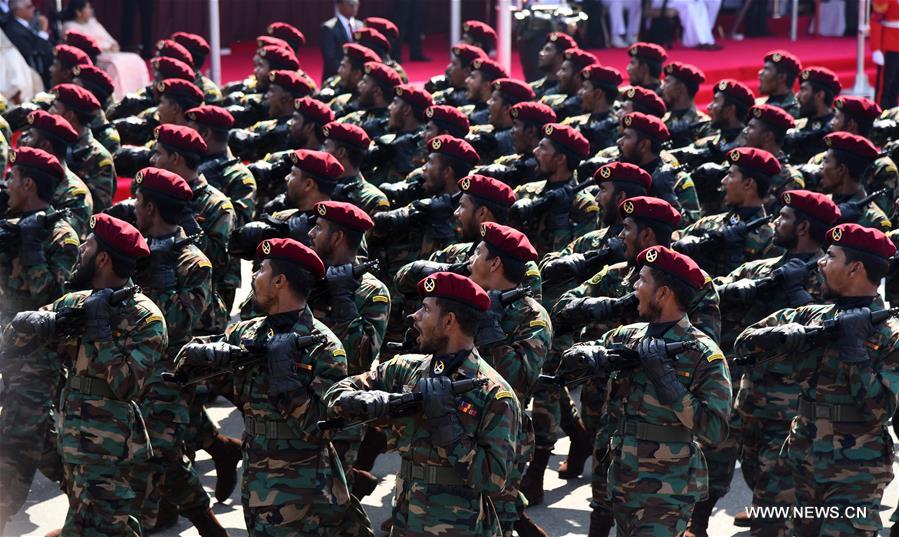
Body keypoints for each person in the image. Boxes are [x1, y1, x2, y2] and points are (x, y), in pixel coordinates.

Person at [172, 238, 373, 536]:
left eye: (260, 270)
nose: (253, 277)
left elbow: (322, 428)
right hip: (256, 476)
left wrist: (287, 383)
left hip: (302, 486)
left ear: (279, 281)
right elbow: (185, 375)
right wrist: (200, 357)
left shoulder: (324, 347)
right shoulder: (247, 332)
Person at [324, 271, 521, 537]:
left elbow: (494, 480)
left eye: (426, 310)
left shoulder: (493, 393)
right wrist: (366, 401)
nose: (414, 316)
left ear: (449, 320)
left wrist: (448, 428)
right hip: (406, 523)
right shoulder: (406, 369)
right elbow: (335, 393)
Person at [734, 223, 899, 536]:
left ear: (856, 268)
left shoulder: (891, 336)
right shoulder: (812, 316)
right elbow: (743, 344)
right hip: (800, 454)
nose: (821, 263)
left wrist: (855, 354)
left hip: (856, 468)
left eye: (831, 257)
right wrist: (775, 336)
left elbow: (880, 410)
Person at [8, 212, 165, 535]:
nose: (80, 248)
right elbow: (15, 346)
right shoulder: (76, 303)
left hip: (110, 447)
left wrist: (101, 334)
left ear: (103, 258)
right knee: (95, 526)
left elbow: (126, 386)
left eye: (88, 244)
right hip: (75, 442)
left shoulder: (145, 318)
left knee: (103, 526)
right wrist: (26, 325)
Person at [560, 245, 731, 535]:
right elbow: (569, 363)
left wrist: (671, 386)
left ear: (663, 293)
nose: (634, 287)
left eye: (642, 281)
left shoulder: (703, 353)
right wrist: (587, 356)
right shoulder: (628, 336)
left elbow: (715, 430)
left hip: (668, 488)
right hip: (621, 477)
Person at [717, 189, 838, 535]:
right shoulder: (765, 266)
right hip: (750, 396)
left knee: (776, 489)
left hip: (792, 407)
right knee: (755, 473)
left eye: (783, 217)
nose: (775, 221)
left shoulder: (829, 277)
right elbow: (711, 292)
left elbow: (829, 329)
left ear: (802, 227)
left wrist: (797, 295)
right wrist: (749, 288)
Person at [127, 166, 227, 535]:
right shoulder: (133, 248)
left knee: (162, 452)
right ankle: (150, 514)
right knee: (138, 451)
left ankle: (206, 521)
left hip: (170, 372)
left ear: (151, 208)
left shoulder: (193, 262)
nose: (133, 207)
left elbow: (180, 325)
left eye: (138, 201)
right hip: (133, 366)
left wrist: (162, 276)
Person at [0, 147, 78, 533]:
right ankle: (93, 491)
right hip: (8, 346)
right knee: (40, 435)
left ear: (28, 184)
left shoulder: (58, 235)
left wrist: (31, 251)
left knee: (17, 434)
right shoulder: (12, 223)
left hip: (37, 356)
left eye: (12, 178)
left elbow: (55, 300)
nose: (7, 184)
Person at [61, 0, 150, 99]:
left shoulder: (93, 22)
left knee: (136, 58)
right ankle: (119, 98)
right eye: (88, 8)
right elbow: (82, 46)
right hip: (96, 56)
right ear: (78, 12)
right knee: (115, 64)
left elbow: (109, 39)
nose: (91, 10)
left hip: (112, 52)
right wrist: (103, 48)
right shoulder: (70, 26)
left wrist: (113, 45)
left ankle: (140, 95)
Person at [1, 0, 52, 88]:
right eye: (29, 7)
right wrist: (43, 32)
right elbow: (32, 52)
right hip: (29, 76)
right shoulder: (13, 29)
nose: (33, 8)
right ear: (17, 10)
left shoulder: (30, 23)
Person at [321, 0, 361, 83]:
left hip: (357, 79)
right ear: (339, 5)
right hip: (335, 78)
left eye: (356, 4)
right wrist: (346, 72)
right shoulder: (329, 28)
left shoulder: (361, 26)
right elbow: (330, 58)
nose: (354, 7)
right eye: (351, 4)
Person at [757, 50, 802, 118]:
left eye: (766, 69)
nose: (760, 73)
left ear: (781, 77)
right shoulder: (762, 106)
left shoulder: (793, 111)